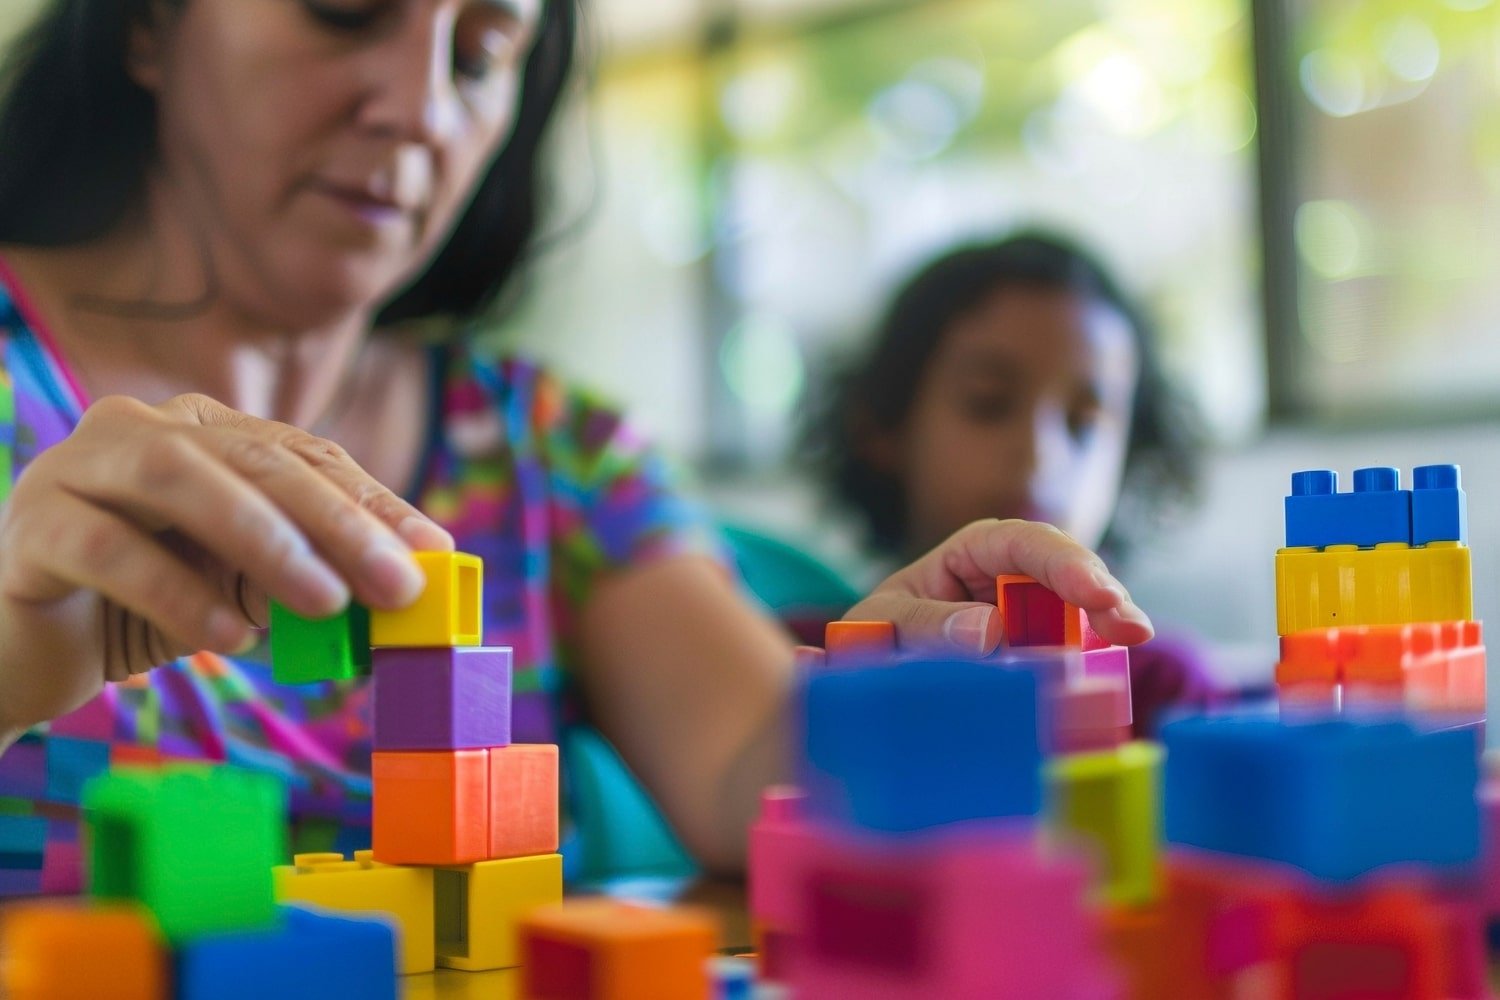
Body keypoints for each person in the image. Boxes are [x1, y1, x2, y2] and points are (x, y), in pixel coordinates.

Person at [0, 1, 1152, 892]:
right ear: (148, 24)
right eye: (342, 5)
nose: (418, 108)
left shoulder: (552, 449)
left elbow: (751, 762)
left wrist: (891, 681)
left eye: (479, 53)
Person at [809, 233, 1215, 733]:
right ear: (883, 427)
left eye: (1084, 421)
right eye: (988, 402)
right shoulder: (800, 669)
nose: (1040, 454)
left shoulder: (1160, 688)